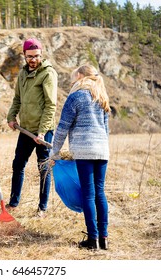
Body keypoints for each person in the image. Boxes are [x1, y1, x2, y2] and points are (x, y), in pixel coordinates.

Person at [50, 64, 110, 250]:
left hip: (85, 151)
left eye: (73, 76)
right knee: (99, 193)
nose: (72, 79)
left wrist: (54, 152)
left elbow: (62, 128)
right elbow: (106, 130)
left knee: (88, 193)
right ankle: (104, 238)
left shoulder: (76, 96)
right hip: (102, 151)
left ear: (80, 76)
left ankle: (92, 239)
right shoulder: (102, 97)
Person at [6, 38, 58, 218]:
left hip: (44, 131)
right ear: (24, 56)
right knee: (18, 164)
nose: (33, 59)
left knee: (43, 168)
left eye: (36, 56)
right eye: (29, 56)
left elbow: (51, 105)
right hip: (26, 130)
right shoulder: (22, 74)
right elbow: (17, 100)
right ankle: (13, 203)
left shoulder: (48, 74)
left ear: (41, 55)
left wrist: (42, 131)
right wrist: (11, 117)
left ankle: (42, 208)